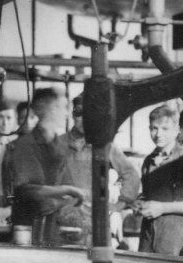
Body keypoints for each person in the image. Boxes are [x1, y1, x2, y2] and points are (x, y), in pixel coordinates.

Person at [57, 94, 140, 246]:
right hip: (63, 224)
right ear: (73, 115)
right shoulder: (57, 145)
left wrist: (118, 206)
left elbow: (131, 174)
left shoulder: (104, 146)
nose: (84, 119)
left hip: (96, 225)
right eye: (79, 114)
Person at [6, 88, 85, 243]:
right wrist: (67, 191)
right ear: (50, 109)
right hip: (27, 229)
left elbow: (70, 190)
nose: (67, 113)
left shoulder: (58, 146)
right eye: (63, 107)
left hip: (52, 228)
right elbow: (28, 190)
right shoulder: (25, 145)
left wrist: (64, 196)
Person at [136, 104, 183, 255]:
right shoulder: (148, 161)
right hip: (148, 240)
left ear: (176, 130)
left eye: (165, 129)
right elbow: (150, 196)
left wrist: (162, 208)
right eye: (154, 128)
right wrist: (138, 203)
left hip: (176, 242)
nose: (158, 134)